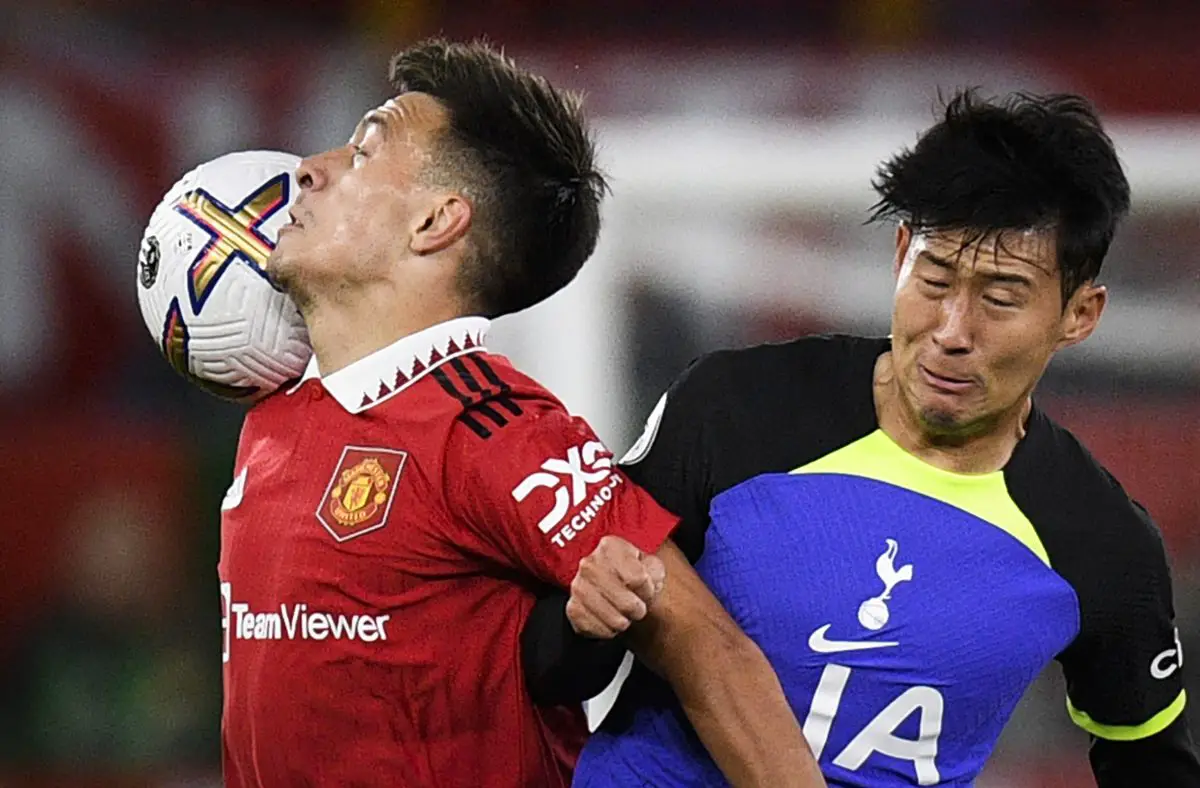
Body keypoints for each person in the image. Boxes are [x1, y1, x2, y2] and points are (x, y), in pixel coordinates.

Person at [218, 37, 824, 788]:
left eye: (365, 150)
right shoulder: (271, 418)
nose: (310, 169)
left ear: (436, 222)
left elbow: (710, 648)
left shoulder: (496, 428)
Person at [550, 90, 1200, 786]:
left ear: (1080, 313)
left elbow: (1152, 762)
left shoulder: (1099, 545)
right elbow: (556, 659)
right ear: (899, 255)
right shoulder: (735, 408)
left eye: (1001, 297)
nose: (952, 330)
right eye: (934, 276)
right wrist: (580, 621)